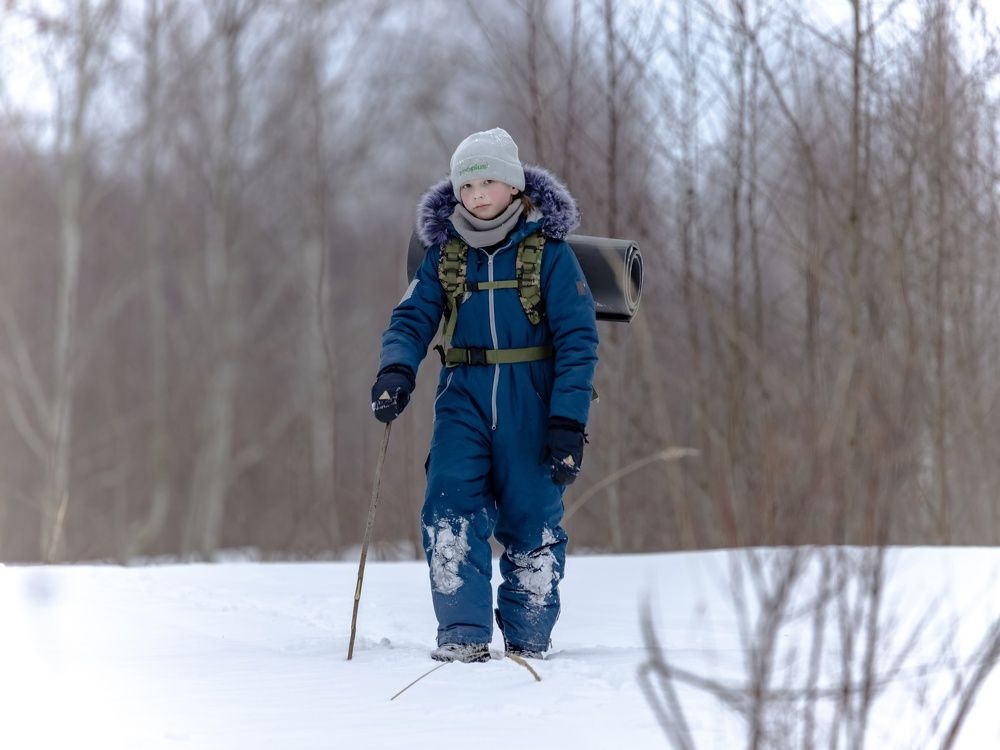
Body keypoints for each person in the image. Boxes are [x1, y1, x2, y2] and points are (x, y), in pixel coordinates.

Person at [371, 127, 598, 663]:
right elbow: (411, 318)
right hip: (463, 399)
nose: (476, 195)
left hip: (534, 403)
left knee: (533, 521)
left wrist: (568, 420)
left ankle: (528, 642)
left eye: (488, 181)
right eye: (466, 185)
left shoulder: (550, 254)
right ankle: (462, 635)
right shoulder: (444, 255)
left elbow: (578, 341)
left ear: (515, 187)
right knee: (449, 509)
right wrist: (396, 370)